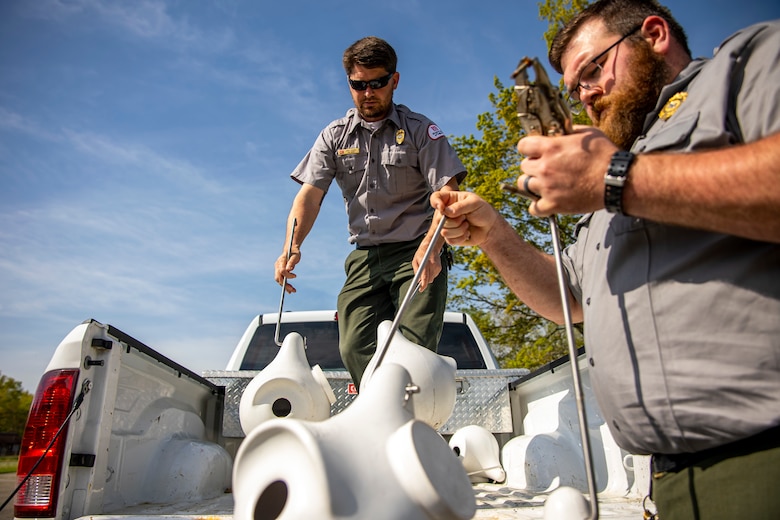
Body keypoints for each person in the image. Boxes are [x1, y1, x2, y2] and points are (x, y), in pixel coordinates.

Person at [431, 0, 780, 517]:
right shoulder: (610, 170)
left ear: (655, 34)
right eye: (574, 89)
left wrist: (617, 179)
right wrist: (493, 233)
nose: (584, 94)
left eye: (593, 70)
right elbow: (570, 297)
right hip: (667, 478)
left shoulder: (746, 65)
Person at [275, 36, 466, 388]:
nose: (368, 93)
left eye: (377, 83)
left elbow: (448, 193)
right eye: (358, 85)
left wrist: (433, 247)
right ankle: (378, 407)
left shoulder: (421, 130)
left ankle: (410, 421)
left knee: (415, 351)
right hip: (365, 257)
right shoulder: (334, 137)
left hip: (417, 253)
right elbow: (309, 197)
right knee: (352, 346)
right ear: (349, 83)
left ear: (394, 80)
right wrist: (293, 244)